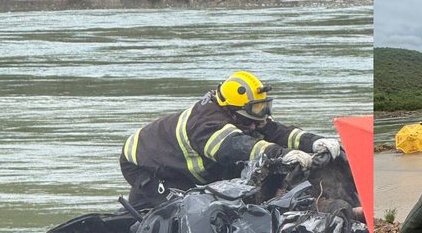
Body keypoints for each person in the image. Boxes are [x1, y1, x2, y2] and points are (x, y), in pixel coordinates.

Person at [120, 70, 341, 208]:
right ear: (232, 112)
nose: (255, 126)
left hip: (175, 167)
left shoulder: (243, 115)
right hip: (143, 167)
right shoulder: (206, 124)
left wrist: (313, 142)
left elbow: (275, 131)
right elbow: (236, 147)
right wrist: (281, 155)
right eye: (249, 122)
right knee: (185, 207)